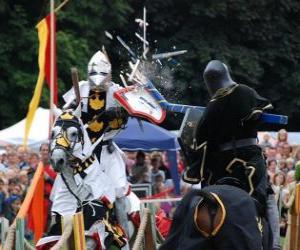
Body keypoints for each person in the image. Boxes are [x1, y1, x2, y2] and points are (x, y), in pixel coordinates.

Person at [182, 60, 280, 250]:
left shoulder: (211, 108)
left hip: (219, 166)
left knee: (208, 197)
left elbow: (200, 145)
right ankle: (274, 245)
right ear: (226, 74)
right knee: (266, 196)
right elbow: (262, 110)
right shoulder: (245, 92)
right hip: (248, 160)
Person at [62, 49, 131, 236]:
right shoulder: (82, 88)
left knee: (118, 191)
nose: (98, 77)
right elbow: (65, 116)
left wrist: (118, 115)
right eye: (94, 72)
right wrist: (74, 108)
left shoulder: (116, 91)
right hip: (82, 149)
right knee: (68, 192)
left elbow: (123, 120)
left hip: (105, 147)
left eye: (102, 72)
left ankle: (124, 236)